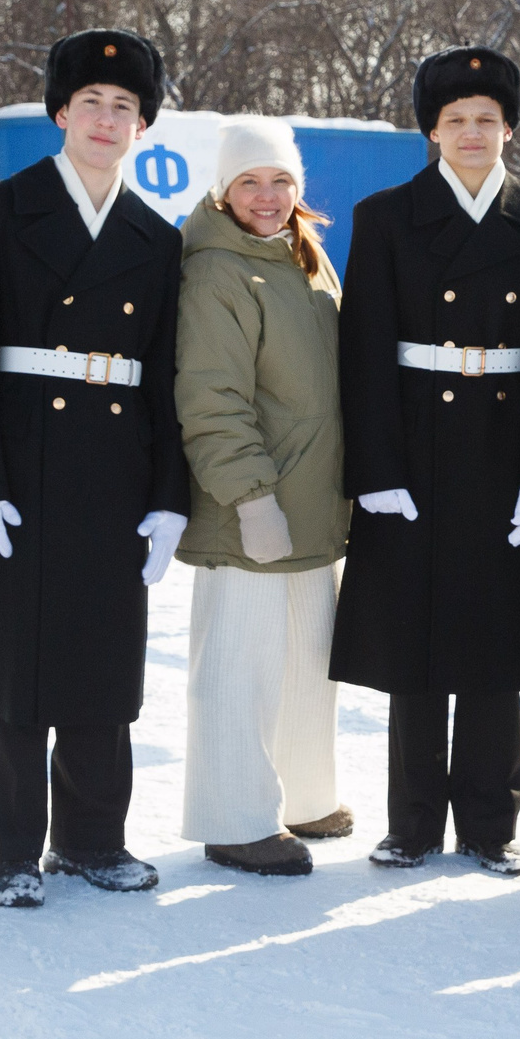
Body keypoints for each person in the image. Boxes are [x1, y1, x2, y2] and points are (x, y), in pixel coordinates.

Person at [0, 29, 189, 908]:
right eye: (91, 103)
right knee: (9, 664)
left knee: (102, 664)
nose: (107, 120)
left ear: (142, 124)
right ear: (61, 113)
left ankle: (93, 840)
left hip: (114, 471)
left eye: (125, 106)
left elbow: (170, 375)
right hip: (16, 466)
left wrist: (168, 497)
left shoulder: (156, 236)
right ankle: (9, 848)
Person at [330, 47, 520, 874]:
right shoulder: (384, 216)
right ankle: (410, 823)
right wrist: (374, 468)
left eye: (486, 119)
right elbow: (361, 349)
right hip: (411, 443)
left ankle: (489, 825)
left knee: (494, 643)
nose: (471, 133)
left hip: (506, 447)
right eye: (454, 120)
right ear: (432, 132)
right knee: (414, 645)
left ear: (508, 128)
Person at [173, 117, 352, 877]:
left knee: (311, 660)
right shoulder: (218, 269)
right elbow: (211, 396)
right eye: (250, 181)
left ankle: (304, 795)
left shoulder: (303, 257)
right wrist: (249, 496)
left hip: (314, 505)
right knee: (240, 664)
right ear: (223, 187)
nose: (268, 195)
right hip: (252, 505)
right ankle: (235, 815)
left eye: (281, 181)